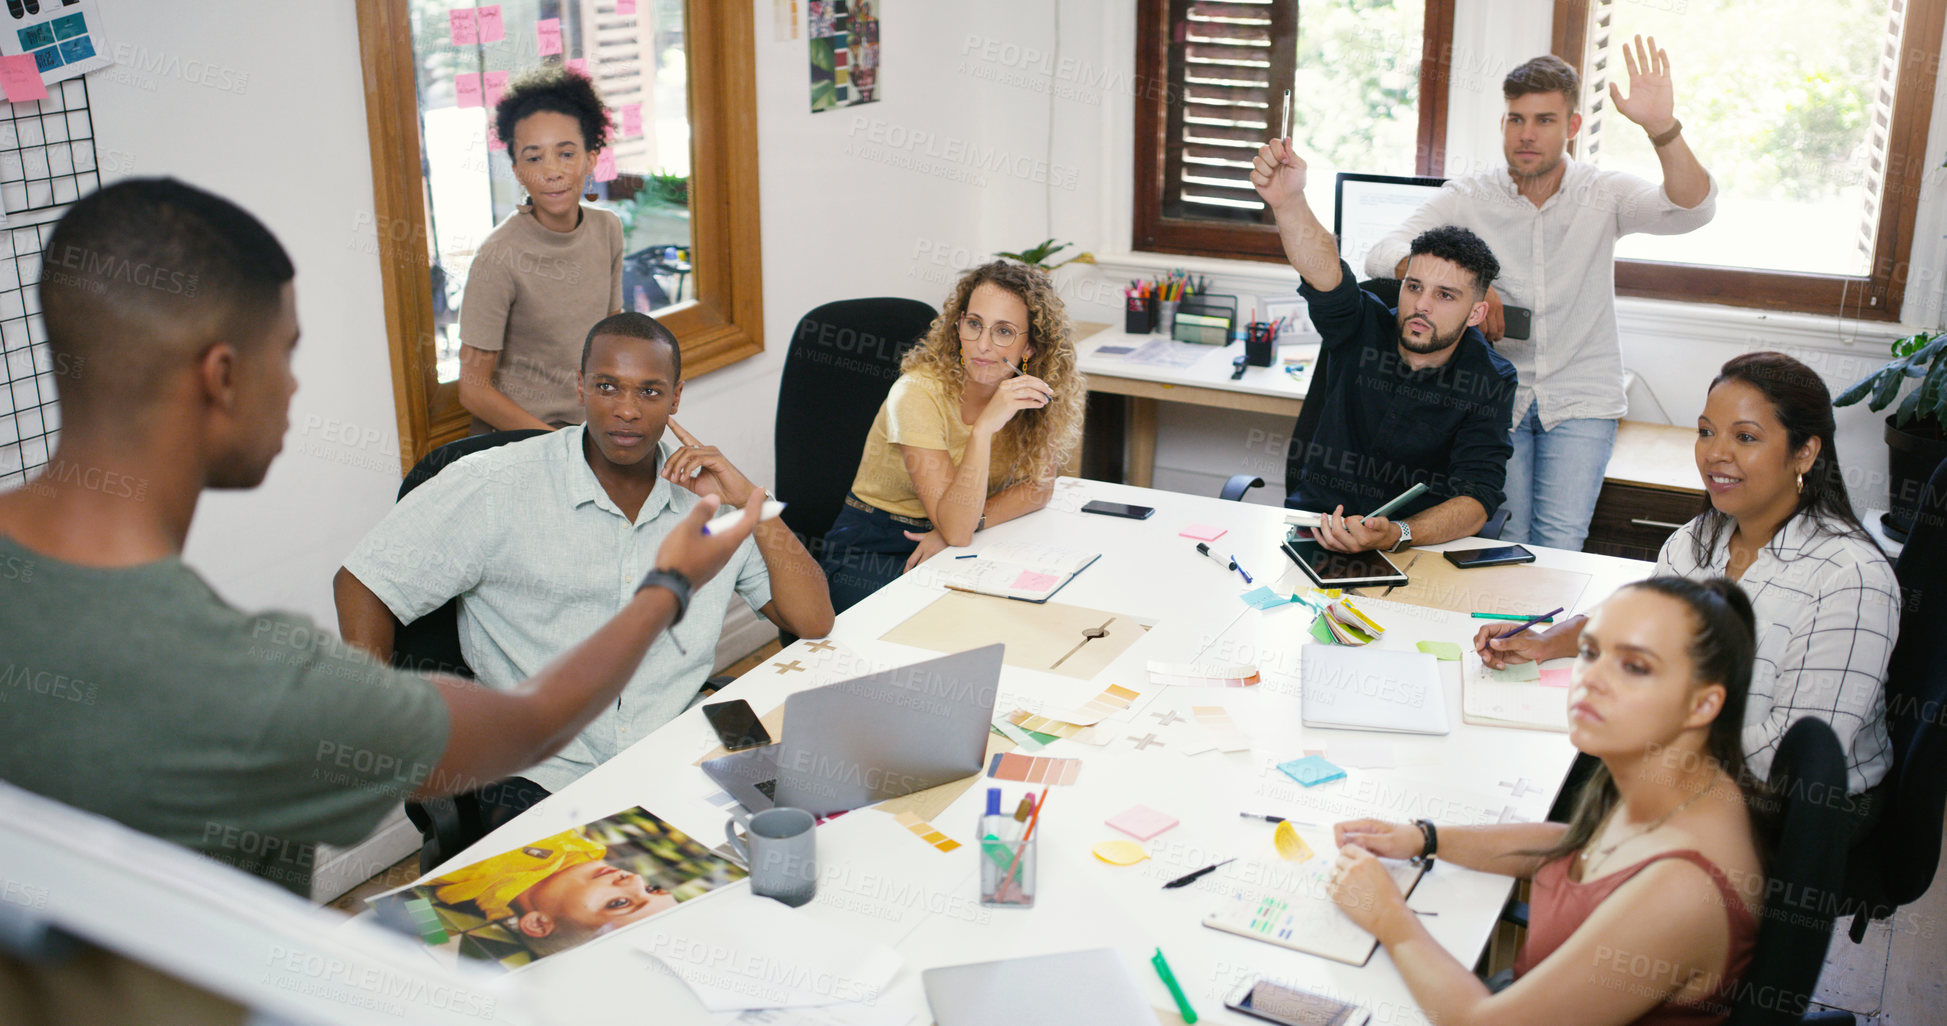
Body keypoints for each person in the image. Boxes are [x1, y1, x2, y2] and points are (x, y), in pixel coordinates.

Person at [0, 179, 763, 896]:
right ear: (222, 376)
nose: (295, 386)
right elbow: (531, 724)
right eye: (287, 352)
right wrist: (665, 586)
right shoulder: (243, 680)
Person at [337, 312, 834, 800]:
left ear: (676, 397)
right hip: (539, 768)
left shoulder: (711, 500)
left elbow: (812, 620)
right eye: (607, 386)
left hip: (676, 742)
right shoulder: (492, 484)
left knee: (803, 829)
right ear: (580, 388)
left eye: (650, 391)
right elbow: (363, 582)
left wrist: (753, 501)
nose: (627, 409)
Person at [1334, 577, 1765, 1025]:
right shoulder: (1686, 779)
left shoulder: (1682, 890)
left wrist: (1390, 918)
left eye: (1635, 667)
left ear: (1703, 704)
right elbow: (1583, 847)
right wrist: (1425, 837)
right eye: (1591, 652)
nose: (1593, 679)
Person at [1477, 351, 1897, 800]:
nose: (1716, 453)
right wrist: (1544, 641)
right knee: (1513, 777)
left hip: (1788, 808)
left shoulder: (1852, 579)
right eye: (1706, 432)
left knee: (1549, 802)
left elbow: (1791, 758)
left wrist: (1647, 735)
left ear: (1805, 453)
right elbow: (1634, 621)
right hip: (1683, 765)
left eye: (1746, 437)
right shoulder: (1699, 538)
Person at [1364, 43, 1715, 550]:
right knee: (1504, 543)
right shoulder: (1469, 195)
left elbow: (1692, 210)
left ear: (1573, 126)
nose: (1527, 134)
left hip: (1582, 398)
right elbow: (1381, 252)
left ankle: (1541, 631)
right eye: (1516, 119)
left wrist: (1663, 129)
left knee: (1561, 544)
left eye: (1545, 120)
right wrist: (1470, 287)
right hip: (1496, 398)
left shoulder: (1604, 193)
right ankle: (1501, 633)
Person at [1251, 137, 1517, 555]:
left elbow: (1477, 499)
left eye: (1445, 296)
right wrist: (1289, 202)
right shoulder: (1363, 324)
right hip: (1316, 529)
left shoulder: (1490, 378)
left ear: (1476, 314)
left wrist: (1398, 533)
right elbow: (1324, 271)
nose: (1421, 306)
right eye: (1414, 287)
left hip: (1412, 548)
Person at [818, 260, 1084, 612]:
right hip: (875, 545)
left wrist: (960, 526)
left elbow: (1037, 489)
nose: (983, 345)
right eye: (974, 325)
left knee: (1034, 607)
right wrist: (984, 429)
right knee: (955, 623)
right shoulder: (916, 392)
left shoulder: (1028, 393)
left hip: (958, 537)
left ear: (1030, 347)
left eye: (1003, 331)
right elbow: (958, 529)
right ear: (959, 327)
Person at [459, 67, 625, 434]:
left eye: (566, 154)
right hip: (518, 441)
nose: (552, 171)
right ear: (517, 170)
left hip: (587, 432)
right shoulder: (498, 256)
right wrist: (557, 446)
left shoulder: (607, 229)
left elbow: (612, 340)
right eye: (534, 158)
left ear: (591, 159)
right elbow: (472, 390)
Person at [431, 828, 675, 946]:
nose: (635, 880)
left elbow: (423, 923)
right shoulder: (587, 850)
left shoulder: (472, 873)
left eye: (619, 903)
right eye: (652, 888)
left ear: (539, 922)